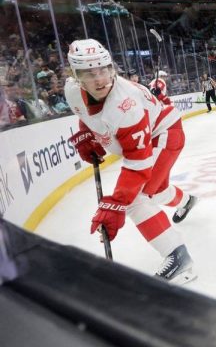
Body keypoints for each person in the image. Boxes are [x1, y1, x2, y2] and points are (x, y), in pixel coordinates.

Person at [64, 39, 198, 285]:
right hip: (151, 136)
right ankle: (186, 201)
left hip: (164, 133)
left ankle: (179, 258)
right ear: (76, 76)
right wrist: (86, 133)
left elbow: (138, 163)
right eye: (89, 73)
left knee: (136, 199)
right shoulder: (72, 91)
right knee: (156, 191)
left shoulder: (126, 104)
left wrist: (116, 203)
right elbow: (85, 113)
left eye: (104, 69)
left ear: (111, 67)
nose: (100, 79)